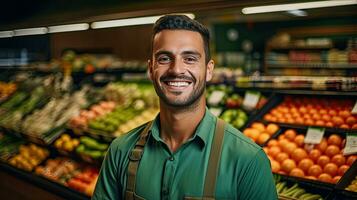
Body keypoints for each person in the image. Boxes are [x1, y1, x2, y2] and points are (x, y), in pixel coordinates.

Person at [92, 15, 277, 200]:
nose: (176, 69)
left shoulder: (248, 160)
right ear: (151, 69)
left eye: (189, 58)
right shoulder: (120, 151)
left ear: (209, 70)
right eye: (164, 58)